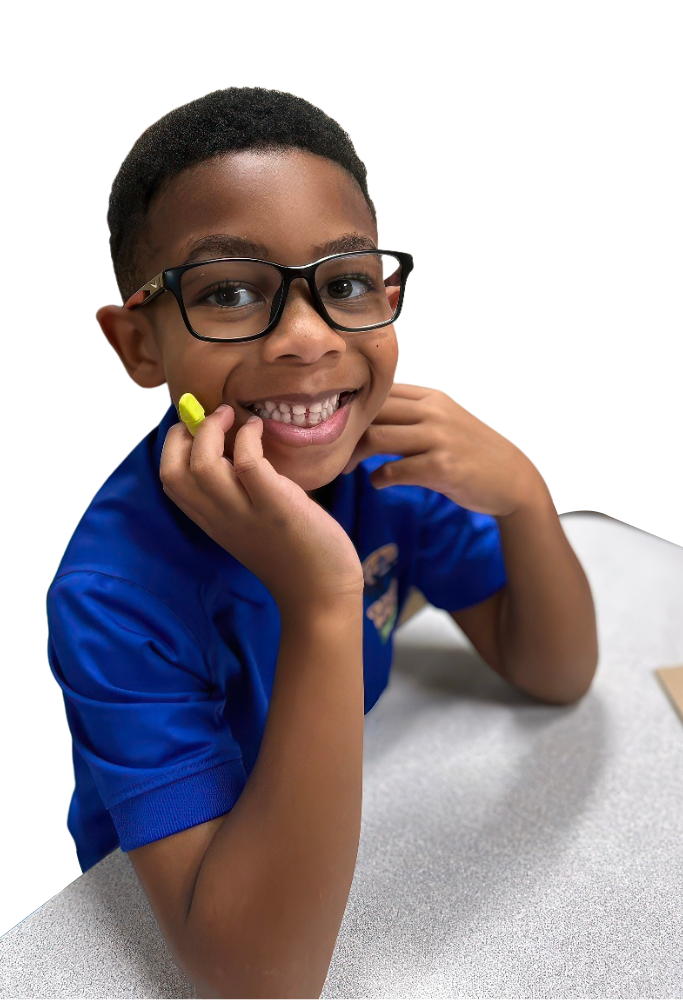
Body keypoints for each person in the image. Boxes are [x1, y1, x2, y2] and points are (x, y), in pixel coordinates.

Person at [45, 85, 597, 998]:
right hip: (162, 913)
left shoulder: (389, 467)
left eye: (343, 283)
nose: (308, 340)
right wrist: (324, 600)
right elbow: (261, 981)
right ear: (137, 344)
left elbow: (556, 671)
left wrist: (526, 501)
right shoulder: (112, 595)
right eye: (228, 292)